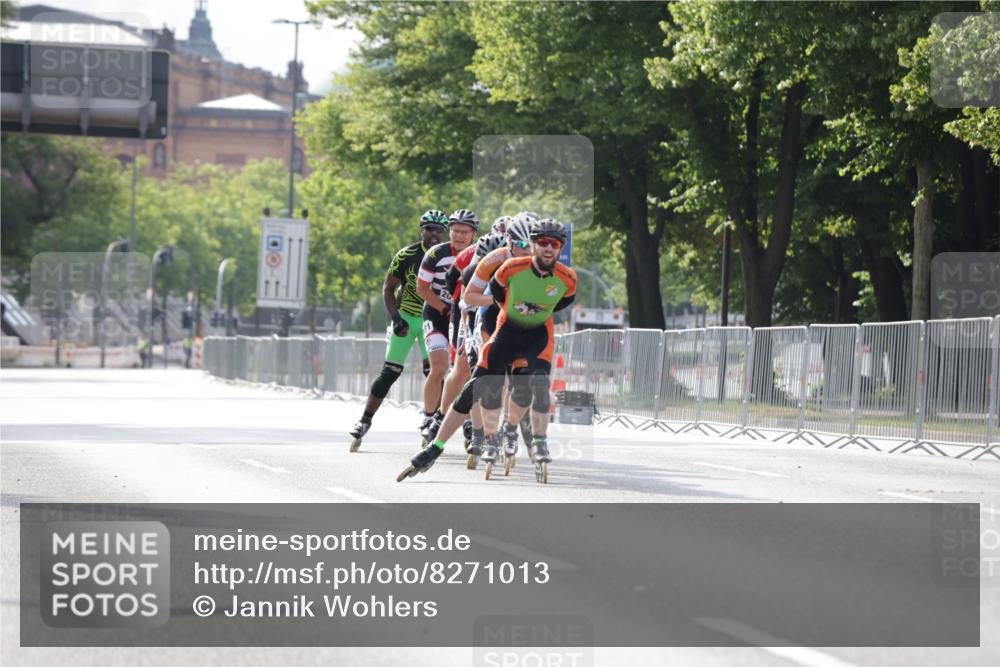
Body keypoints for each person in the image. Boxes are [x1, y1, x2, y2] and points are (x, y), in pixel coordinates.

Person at [399, 219, 577, 480]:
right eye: (540, 243)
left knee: (535, 383)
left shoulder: (568, 278)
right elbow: (475, 298)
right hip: (496, 325)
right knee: (475, 384)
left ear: (560, 248)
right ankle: (436, 447)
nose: (546, 248)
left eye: (554, 244)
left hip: (537, 335)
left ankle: (529, 436)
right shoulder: (505, 266)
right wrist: (514, 307)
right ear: (529, 244)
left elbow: (561, 303)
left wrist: (534, 311)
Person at [348, 210, 448, 450]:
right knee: (390, 372)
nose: (434, 234)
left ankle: (433, 419)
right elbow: (388, 288)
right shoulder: (407, 255)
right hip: (406, 315)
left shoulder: (447, 255)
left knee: (434, 373)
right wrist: (395, 318)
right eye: (429, 229)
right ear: (421, 230)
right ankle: (364, 421)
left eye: (438, 230)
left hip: (430, 319)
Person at [414, 209, 479, 441]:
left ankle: (470, 421)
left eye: (464, 232)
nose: (459, 236)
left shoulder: (478, 254)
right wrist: (443, 308)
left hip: (463, 316)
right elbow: (422, 288)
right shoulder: (436, 253)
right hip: (437, 313)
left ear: (473, 234)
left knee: (467, 371)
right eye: (455, 231)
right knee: (439, 367)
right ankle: (430, 415)